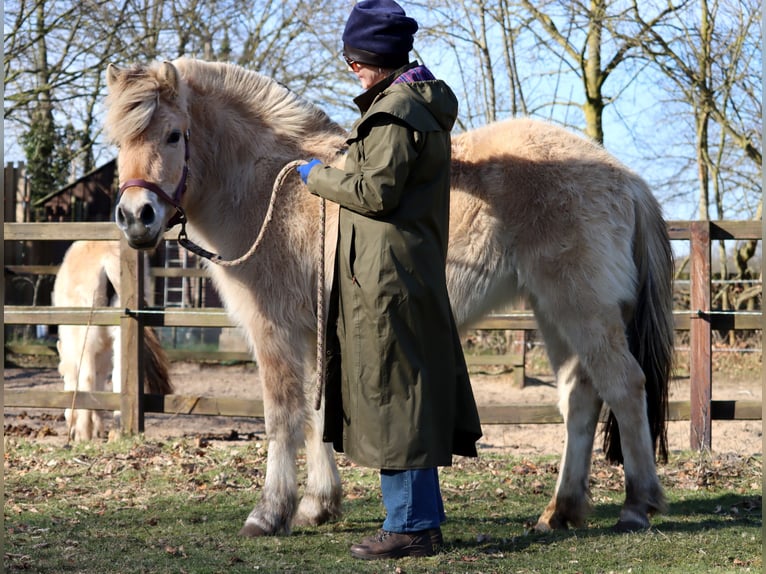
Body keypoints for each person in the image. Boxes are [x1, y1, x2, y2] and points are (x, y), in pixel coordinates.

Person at [297, 0, 482, 560]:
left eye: (354, 58)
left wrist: (316, 177)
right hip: (394, 275)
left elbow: (375, 193)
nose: (350, 68)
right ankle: (414, 518)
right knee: (402, 396)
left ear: (373, 58)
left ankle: (412, 524)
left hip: (388, 282)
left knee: (397, 399)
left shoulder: (396, 113)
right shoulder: (403, 108)